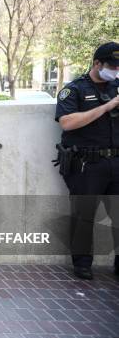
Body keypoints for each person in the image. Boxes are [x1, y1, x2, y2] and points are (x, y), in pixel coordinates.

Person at [54, 41, 119, 280]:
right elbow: (67, 122)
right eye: (112, 66)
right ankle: (82, 265)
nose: (115, 71)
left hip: (116, 162)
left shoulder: (118, 86)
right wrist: (107, 107)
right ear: (97, 63)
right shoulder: (75, 90)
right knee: (84, 216)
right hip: (86, 165)